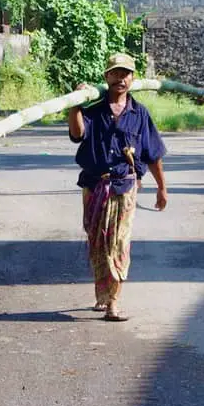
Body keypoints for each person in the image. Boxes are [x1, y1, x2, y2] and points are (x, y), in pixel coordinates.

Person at [68, 53, 168, 322]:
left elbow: (153, 153)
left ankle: (113, 302)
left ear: (133, 79)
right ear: (106, 77)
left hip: (124, 186)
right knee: (97, 241)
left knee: (119, 243)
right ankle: (102, 294)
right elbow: (77, 134)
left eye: (126, 74)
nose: (120, 78)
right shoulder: (94, 112)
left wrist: (162, 188)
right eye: (115, 73)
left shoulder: (140, 114)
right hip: (93, 185)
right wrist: (75, 104)